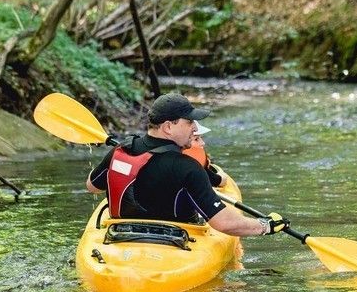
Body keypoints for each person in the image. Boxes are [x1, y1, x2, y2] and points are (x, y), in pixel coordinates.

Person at [86, 93, 288, 236]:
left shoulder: (120, 151)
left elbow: (92, 186)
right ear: (168, 127)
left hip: (119, 237)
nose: (194, 127)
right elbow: (224, 224)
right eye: (189, 122)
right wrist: (265, 226)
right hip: (175, 243)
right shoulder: (189, 168)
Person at [183, 121, 227, 188]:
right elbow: (219, 180)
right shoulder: (195, 168)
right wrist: (223, 176)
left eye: (201, 138)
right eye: (196, 139)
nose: (203, 143)